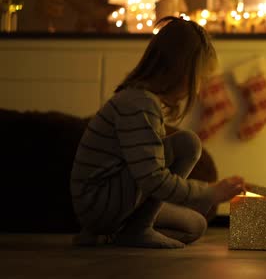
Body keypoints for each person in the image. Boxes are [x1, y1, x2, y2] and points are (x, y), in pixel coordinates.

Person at [70, 16, 244, 249]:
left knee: (196, 225)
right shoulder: (138, 103)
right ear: (183, 73)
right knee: (188, 144)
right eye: (200, 79)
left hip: (117, 201)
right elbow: (153, 178)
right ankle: (131, 231)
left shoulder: (146, 102)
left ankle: (124, 233)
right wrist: (210, 193)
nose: (199, 88)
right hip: (100, 205)